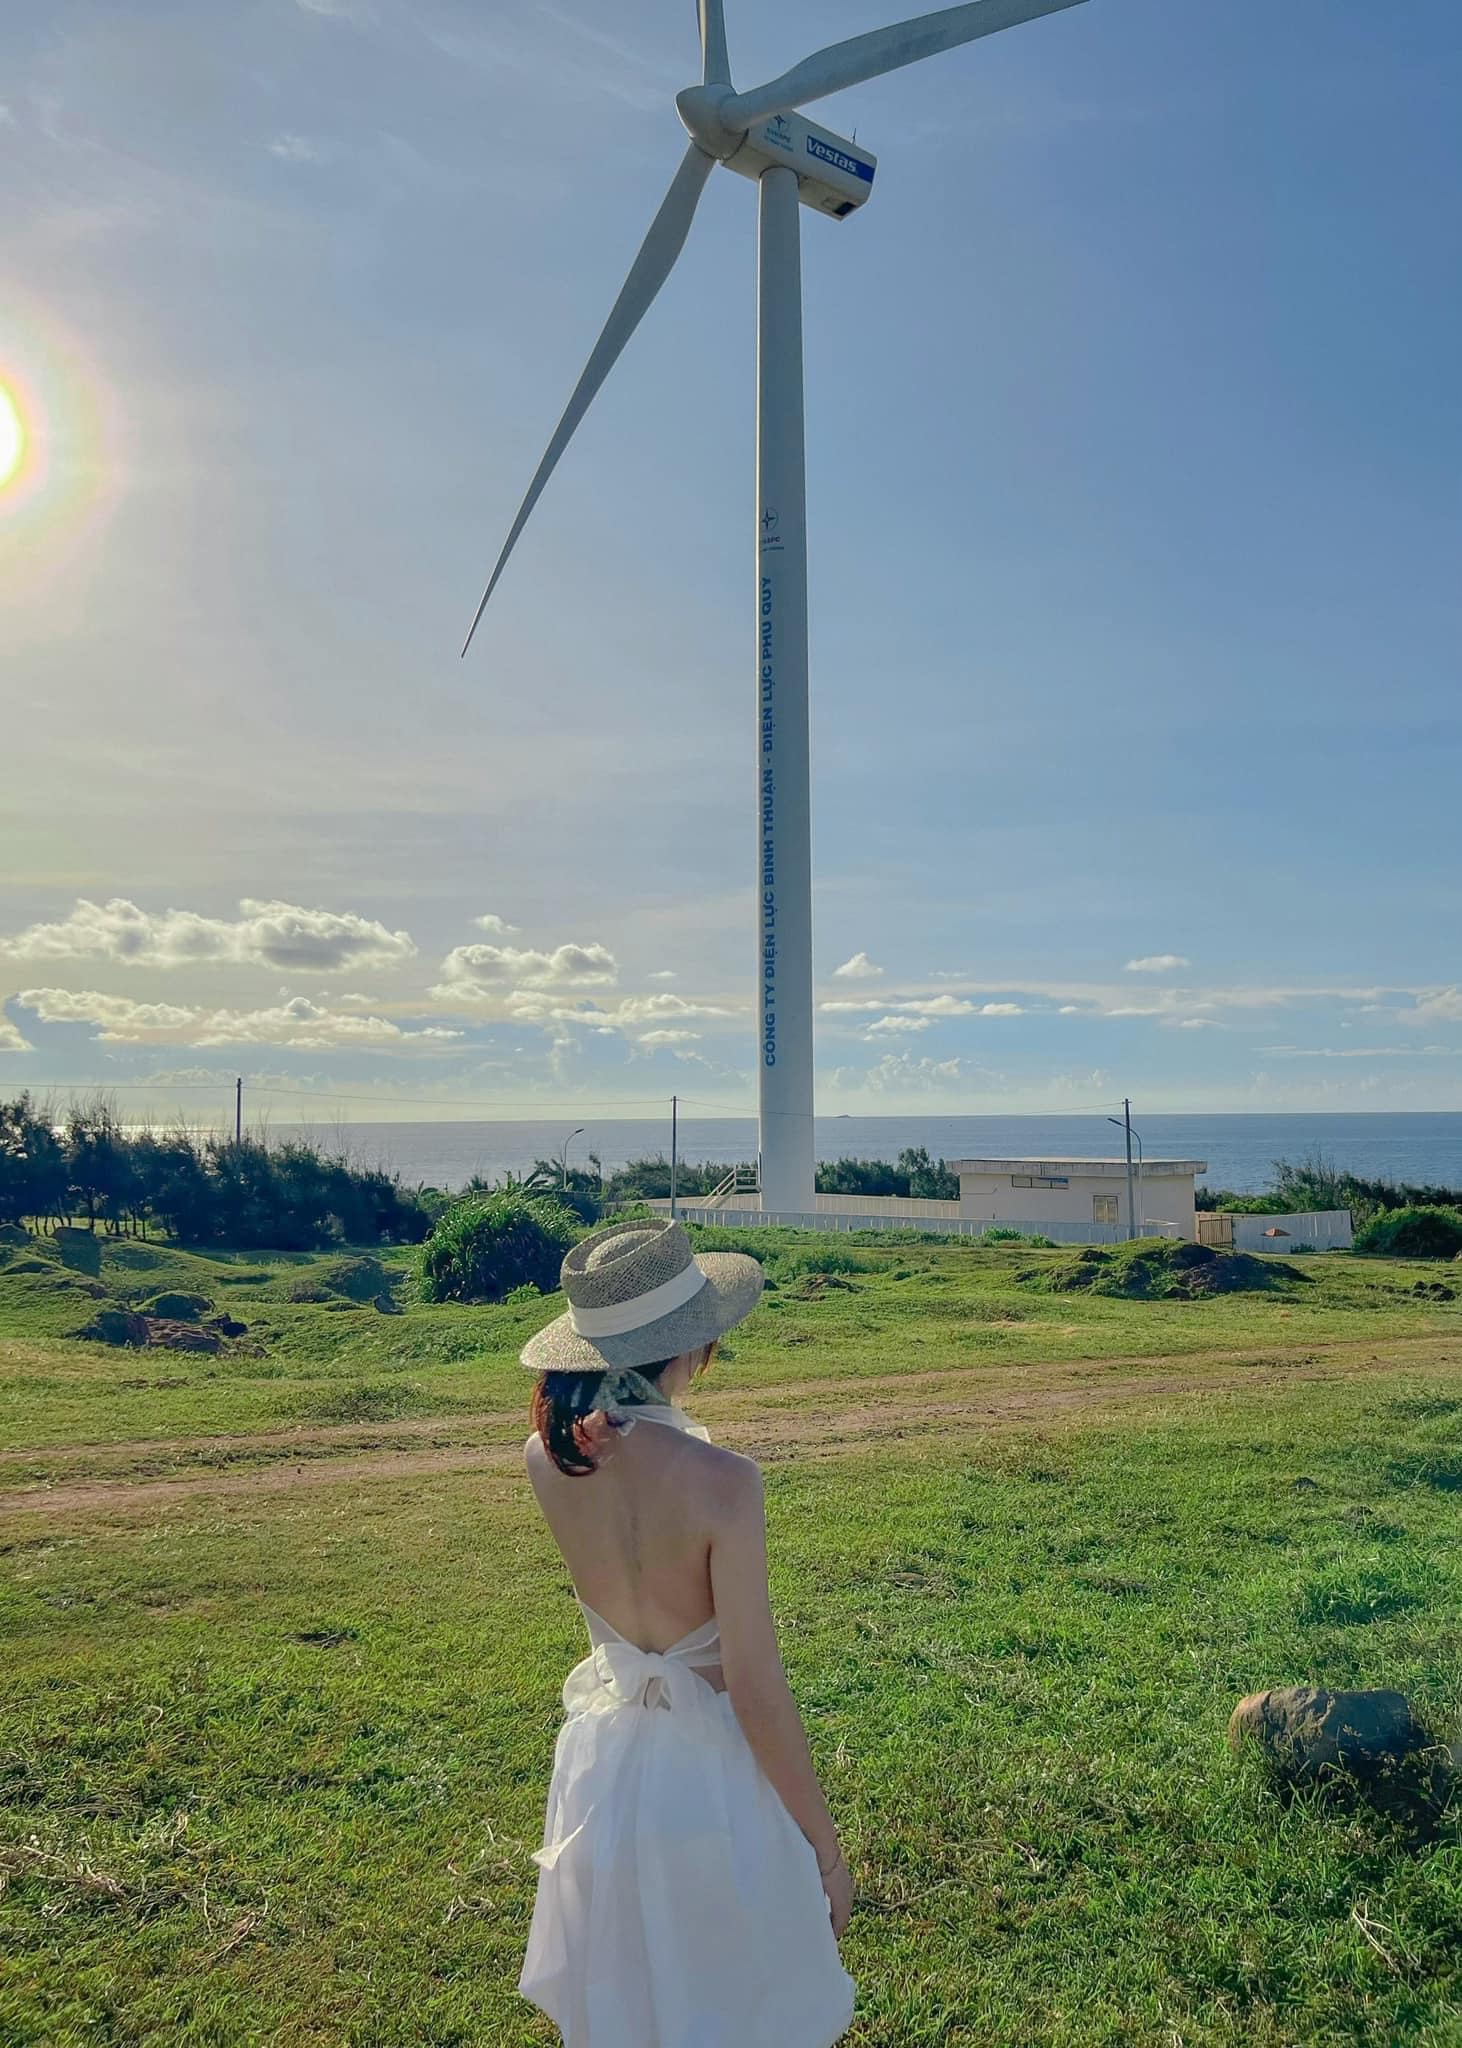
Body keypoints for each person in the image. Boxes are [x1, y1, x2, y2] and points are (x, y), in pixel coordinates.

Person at [517, 1217, 856, 2048]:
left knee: (631, 2003)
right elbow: (757, 1690)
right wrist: (825, 1845)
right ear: (692, 1350)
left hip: (604, 1771)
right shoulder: (726, 1484)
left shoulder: (546, 1458)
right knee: (731, 2008)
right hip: (710, 1786)